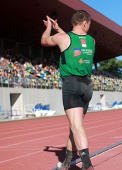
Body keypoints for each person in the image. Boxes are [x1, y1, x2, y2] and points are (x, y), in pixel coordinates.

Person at [41, 10, 95, 170]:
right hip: (87, 86)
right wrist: (59, 29)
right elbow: (75, 41)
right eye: (89, 24)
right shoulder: (92, 40)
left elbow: (44, 40)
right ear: (84, 23)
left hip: (72, 84)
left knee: (77, 126)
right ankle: (66, 164)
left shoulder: (64, 38)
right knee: (74, 127)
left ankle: (87, 165)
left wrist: (49, 27)